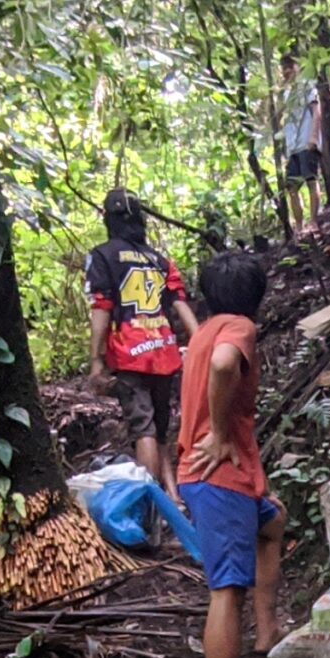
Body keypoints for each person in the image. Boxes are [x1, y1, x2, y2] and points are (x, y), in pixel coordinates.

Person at [178, 249, 285, 658]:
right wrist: (220, 435)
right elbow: (225, 367)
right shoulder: (237, 329)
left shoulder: (202, 331)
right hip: (218, 477)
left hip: (227, 479)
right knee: (227, 591)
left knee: (274, 521)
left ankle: (268, 634)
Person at [85, 189, 198, 499]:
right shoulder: (160, 260)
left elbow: (101, 308)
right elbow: (179, 303)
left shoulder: (102, 256)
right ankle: (173, 496)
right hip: (164, 352)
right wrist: (201, 342)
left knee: (143, 430)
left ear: (108, 220)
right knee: (160, 429)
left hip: (129, 354)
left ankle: (150, 507)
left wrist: (96, 360)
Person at [277, 55, 323, 230]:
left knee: (311, 180)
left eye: (290, 66)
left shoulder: (307, 86)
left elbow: (316, 111)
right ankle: (298, 225)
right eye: (284, 68)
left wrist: (314, 137)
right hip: (292, 146)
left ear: (298, 67)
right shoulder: (286, 94)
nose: (287, 71)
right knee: (291, 187)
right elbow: (281, 119)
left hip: (306, 141)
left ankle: (314, 221)